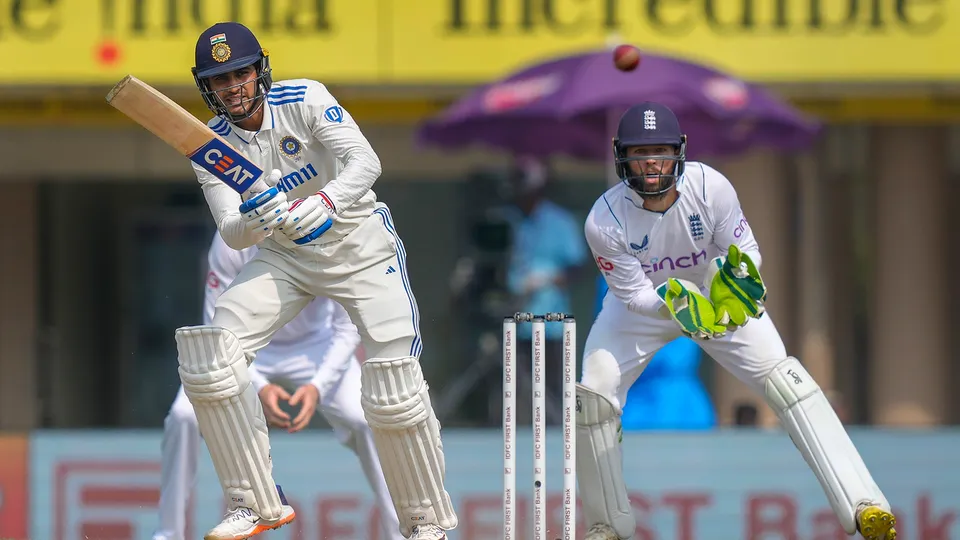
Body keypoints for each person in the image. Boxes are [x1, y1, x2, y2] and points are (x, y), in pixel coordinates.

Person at [176, 21, 456, 540]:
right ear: (206, 86)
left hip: (359, 244)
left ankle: (426, 521)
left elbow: (365, 162)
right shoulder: (211, 145)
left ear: (260, 70)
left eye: (240, 73)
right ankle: (253, 500)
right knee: (212, 354)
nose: (233, 87)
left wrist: (326, 201)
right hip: (286, 254)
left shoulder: (304, 98)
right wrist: (257, 217)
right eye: (220, 80)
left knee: (393, 382)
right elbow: (233, 233)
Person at [575, 102, 896, 540]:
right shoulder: (603, 220)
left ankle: (865, 504)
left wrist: (735, 281)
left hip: (715, 296)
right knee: (595, 392)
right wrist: (679, 305)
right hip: (649, 306)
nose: (651, 162)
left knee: (786, 380)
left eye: (661, 151)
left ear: (678, 151)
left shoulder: (711, 188)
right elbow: (633, 296)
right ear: (622, 156)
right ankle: (606, 525)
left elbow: (747, 252)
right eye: (640, 152)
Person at [152, 231, 404, 540]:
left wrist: (318, 387)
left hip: (317, 344)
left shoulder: (331, 230)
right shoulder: (232, 236)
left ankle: (401, 533)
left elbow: (346, 327)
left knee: (368, 420)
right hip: (242, 347)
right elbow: (216, 327)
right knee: (183, 416)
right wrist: (258, 386)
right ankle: (168, 534)